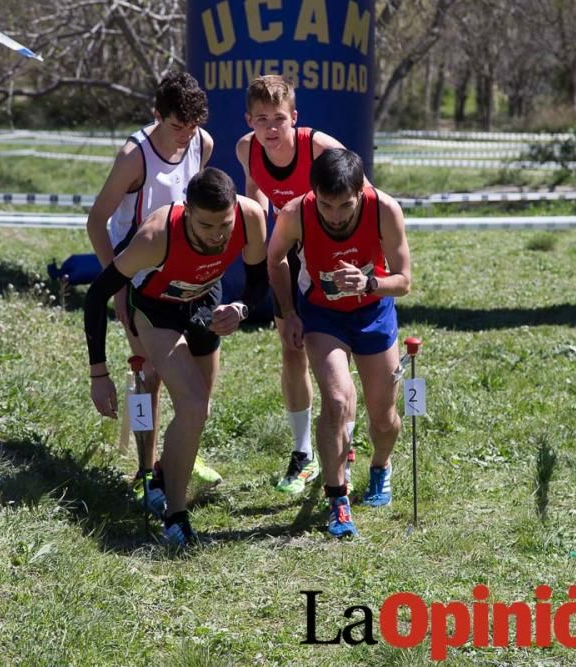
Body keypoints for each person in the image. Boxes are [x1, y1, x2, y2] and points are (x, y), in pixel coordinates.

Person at [84, 168, 268, 547]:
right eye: (206, 226)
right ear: (187, 212)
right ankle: (173, 513)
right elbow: (95, 295)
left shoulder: (251, 218)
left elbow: (258, 283)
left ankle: (163, 476)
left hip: (203, 301)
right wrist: (98, 374)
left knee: (199, 409)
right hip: (155, 310)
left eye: (224, 224)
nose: (217, 235)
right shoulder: (155, 236)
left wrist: (241, 309)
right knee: (192, 402)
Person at [85, 71, 224, 505]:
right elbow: (96, 222)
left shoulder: (203, 143)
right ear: (156, 115)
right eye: (176, 126)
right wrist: (118, 284)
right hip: (137, 274)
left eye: (192, 126)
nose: (185, 136)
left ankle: (177, 456)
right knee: (149, 377)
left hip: (187, 275)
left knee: (199, 380)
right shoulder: (134, 157)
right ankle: (146, 471)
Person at [267, 148, 411, 538]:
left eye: (344, 205)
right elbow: (275, 257)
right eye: (326, 205)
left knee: (383, 416)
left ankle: (380, 466)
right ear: (313, 193)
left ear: (361, 192)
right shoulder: (296, 212)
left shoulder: (384, 209)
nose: (334, 215)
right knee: (336, 402)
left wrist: (369, 283)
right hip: (322, 315)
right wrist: (288, 312)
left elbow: (404, 280)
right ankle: (338, 499)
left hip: (373, 313)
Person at [235, 75, 361, 495]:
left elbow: (360, 194)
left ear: (295, 117)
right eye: (262, 120)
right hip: (290, 250)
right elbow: (254, 201)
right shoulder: (246, 149)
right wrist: (260, 255)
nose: (271, 129)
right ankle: (303, 453)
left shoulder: (319, 147)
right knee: (292, 350)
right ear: (249, 120)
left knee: (345, 345)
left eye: (279, 119)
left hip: (334, 251)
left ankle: (348, 433)